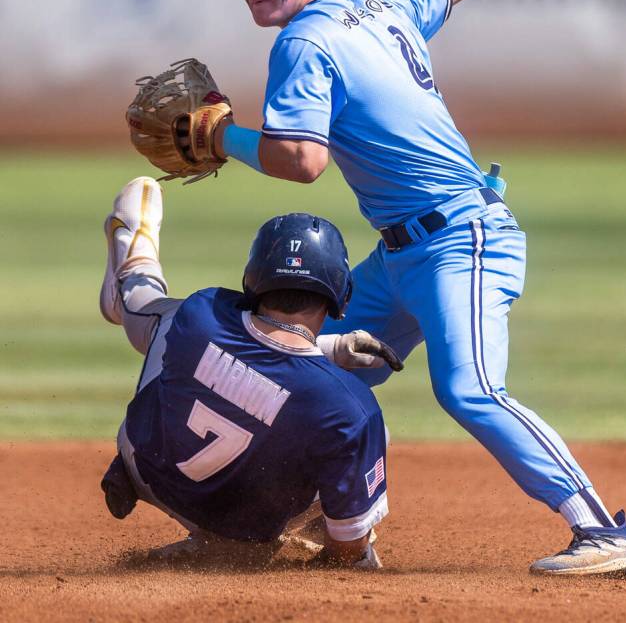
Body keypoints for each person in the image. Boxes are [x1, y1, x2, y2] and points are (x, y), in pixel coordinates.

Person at [203, 0, 626, 576]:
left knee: (468, 389)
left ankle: (598, 529)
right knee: (301, 361)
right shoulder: (386, 5)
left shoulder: (304, 39)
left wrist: (219, 136)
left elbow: (301, 159)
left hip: (461, 239)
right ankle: (321, 529)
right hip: (403, 251)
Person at [98, 175, 401, 567]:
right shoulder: (350, 406)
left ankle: (134, 255)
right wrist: (328, 351)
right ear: (341, 293)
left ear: (253, 279)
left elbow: (251, 353)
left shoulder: (199, 315)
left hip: (146, 469)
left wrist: (329, 349)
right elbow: (348, 551)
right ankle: (236, 546)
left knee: (160, 317)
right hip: (247, 526)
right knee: (364, 441)